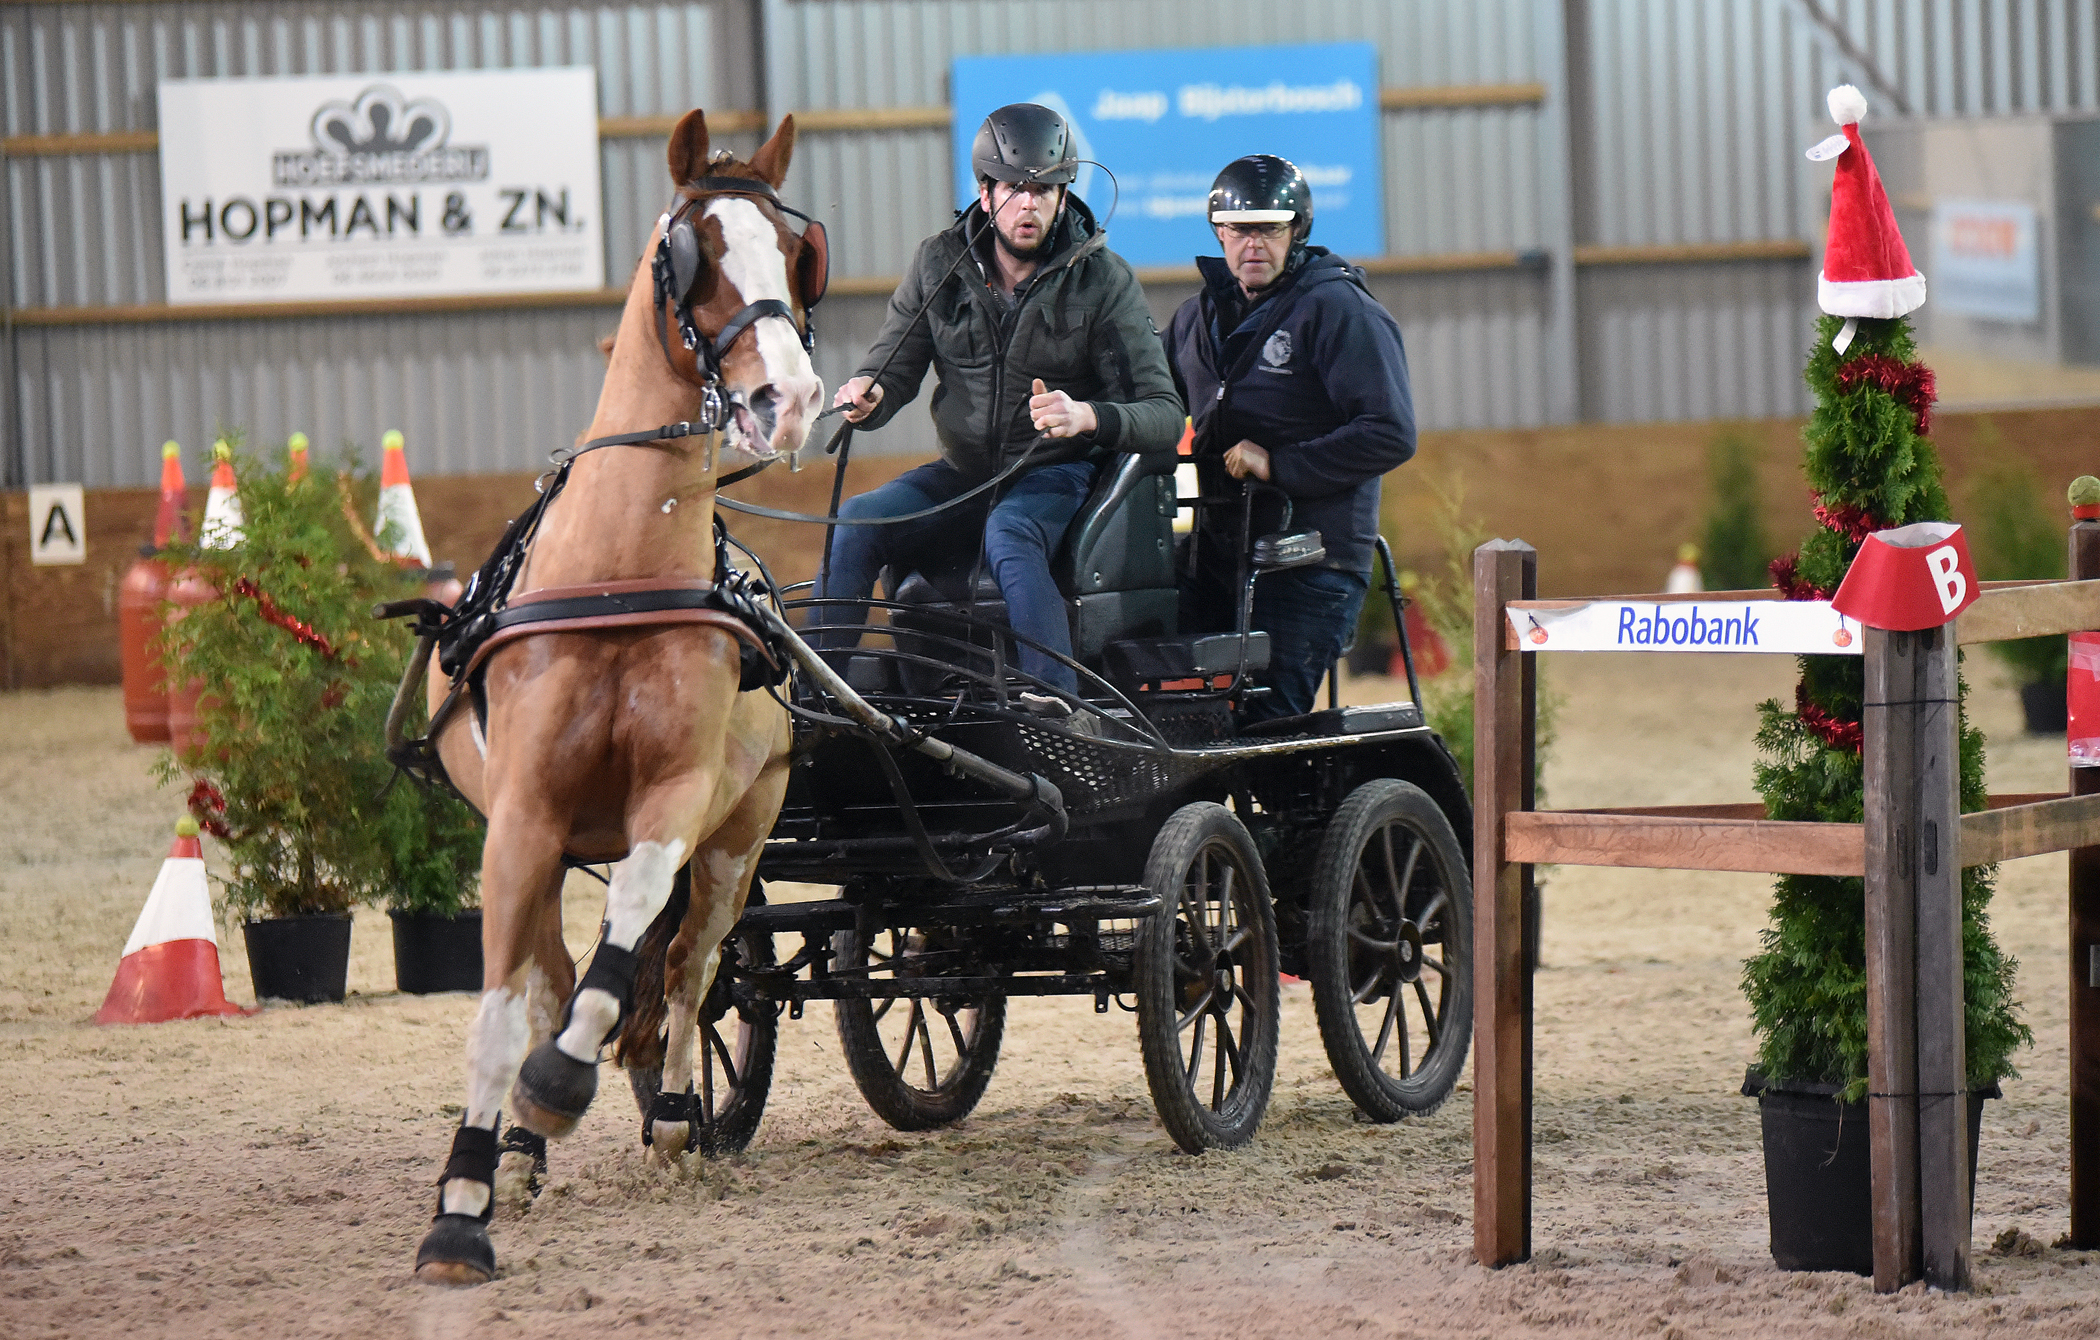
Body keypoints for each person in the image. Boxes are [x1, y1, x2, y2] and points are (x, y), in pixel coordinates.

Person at [818, 102, 1183, 706]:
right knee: (857, 521)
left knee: (1010, 533)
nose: (1030, 204)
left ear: (1064, 197)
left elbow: (1165, 413)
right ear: (986, 192)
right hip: (964, 476)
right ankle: (815, 700)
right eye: (1016, 188)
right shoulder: (939, 264)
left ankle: (1057, 707)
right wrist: (869, 393)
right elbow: (892, 367)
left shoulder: (1105, 281)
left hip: (1053, 474)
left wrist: (1087, 416)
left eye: (1046, 190)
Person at [1163, 154, 1417, 721]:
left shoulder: (1338, 310)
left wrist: (1280, 464)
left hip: (1311, 560)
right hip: (1217, 552)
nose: (1253, 244)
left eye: (1269, 229)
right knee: (1167, 708)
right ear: (1218, 233)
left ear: (1296, 230)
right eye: (1238, 230)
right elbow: (1151, 401)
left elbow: (1391, 432)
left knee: (1263, 723)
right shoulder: (1195, 319)